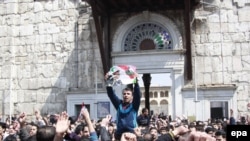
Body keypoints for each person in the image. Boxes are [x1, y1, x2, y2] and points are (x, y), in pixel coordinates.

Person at [105, 72, 141, 140]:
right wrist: (108, 82)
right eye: (124, 94)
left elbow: (138, 95)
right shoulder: (119, 105)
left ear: (132, 96)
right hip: (119, 134)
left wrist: (135, 82)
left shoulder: (134, 106)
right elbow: (111, 95)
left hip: (131, 134)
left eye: (128, 94)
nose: (126, 95)